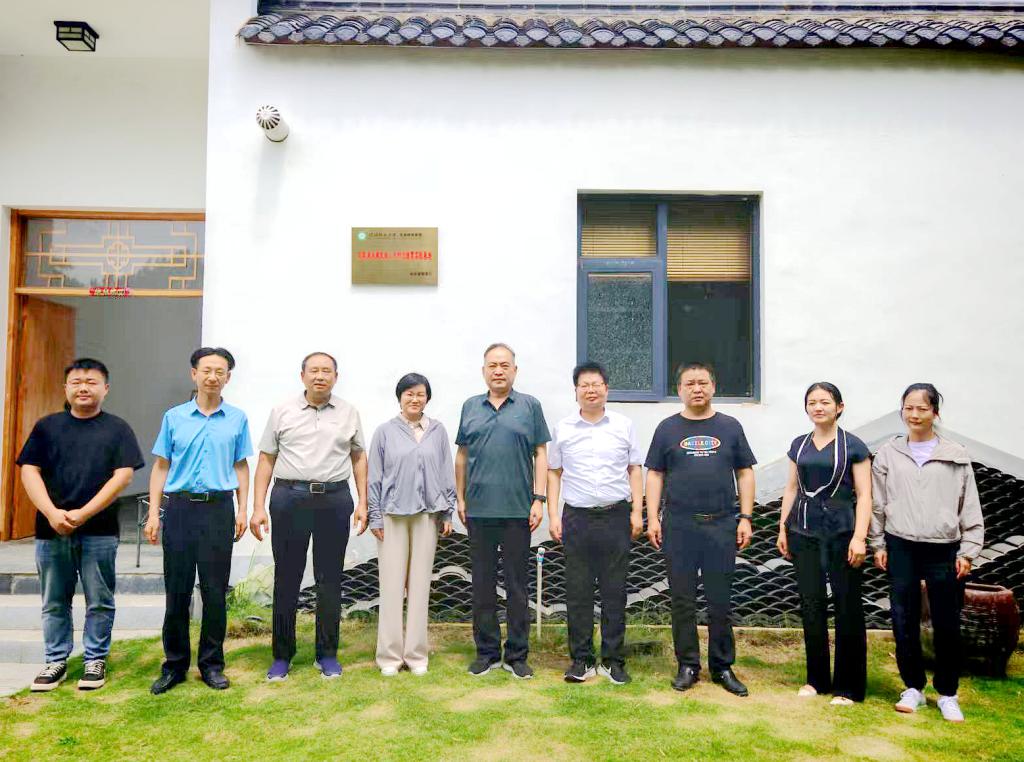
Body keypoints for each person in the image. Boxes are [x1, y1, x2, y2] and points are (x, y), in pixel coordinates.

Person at [17, 358, 144, 692]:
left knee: (99, 599)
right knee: (54, 600)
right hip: (51, 530)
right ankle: (55, 660)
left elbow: (123, 476)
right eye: (76, 382)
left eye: (91, 382)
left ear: (106, 388)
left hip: (100, 530)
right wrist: (51, 513)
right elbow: (29, 470)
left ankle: (94, 659)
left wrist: (84, 513)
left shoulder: (117, 429)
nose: (83, 387)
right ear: (66, 388)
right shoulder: (47, 427)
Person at [250, 351, 368, 681]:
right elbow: (266, 460)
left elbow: (358, 457)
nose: (320, 376)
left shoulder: (348, 412)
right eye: (314, 370)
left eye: (326, 371)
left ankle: (327, 654)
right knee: (287, 578)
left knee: (330, 579)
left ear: (335, 377)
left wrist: (363, 502)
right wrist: (258, 507)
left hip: (334, 499)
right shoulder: (282, 411)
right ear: (302, 375)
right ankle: (282, 656)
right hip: (290, 498)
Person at [870, 383, 983, 723]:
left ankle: (948, 693)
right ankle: (913, 688)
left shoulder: (955, 454)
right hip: (900, 544)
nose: (915, 414)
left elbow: (969, 504)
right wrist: (878, 543)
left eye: (922, 408)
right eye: (909, 408)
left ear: (935, 412)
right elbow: (877, 503)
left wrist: (968, 550)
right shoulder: (889, 453)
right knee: (903, 619)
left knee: (946, 622)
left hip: (944, 547)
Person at [144, 347, 252, 694]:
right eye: (206, 370)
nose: (212, 377)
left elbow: (241, 466)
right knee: (177, 590)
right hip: (180, 510)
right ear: (194, 374)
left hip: (218, 510)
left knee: (214, 591)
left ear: (228, 378)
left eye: (220, 371)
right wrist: (153, 513)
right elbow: (161, 466)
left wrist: (242, 509)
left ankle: (211, 665)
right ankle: (174, 665)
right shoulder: (174, 417)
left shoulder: (237, 419)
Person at [645, 362, 756, 696]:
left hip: (721, 524)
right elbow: (655, 474)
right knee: (682, 599)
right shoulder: (667, 429)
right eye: (690, 383)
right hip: (679, 525)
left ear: (713, 386)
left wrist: (746, 517)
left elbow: (745, 473)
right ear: (679, 390)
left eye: (703, 382)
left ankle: (722, 666)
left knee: (720, 600)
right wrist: (653, 517)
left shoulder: (730, 427)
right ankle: (688, 665)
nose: (697, 388)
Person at [456, 343, 550, 679]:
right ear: (484, 370)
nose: (499, 370)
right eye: (493, 365)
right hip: (479, 511)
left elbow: (541, 454)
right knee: (482, 585)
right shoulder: (470, 406)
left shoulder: (530, 406)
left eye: (505, 365)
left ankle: (517, 655)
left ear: (514, 370)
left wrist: (539, 499)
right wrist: (461, 498)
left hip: (517, 511)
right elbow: (462, 457)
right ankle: (486, 652)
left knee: (516, 586)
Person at [548, 362, 643, 685]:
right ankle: (582, 660)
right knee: (578, 592)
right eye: (584, 385)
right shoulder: (563, 428)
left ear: (606, 389)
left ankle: (614, 661)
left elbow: (634, 469)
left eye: (596, 384)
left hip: (616, 515)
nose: (591, 390)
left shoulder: (623, 425)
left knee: (615, 591)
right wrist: (553, 515)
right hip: (577, 517)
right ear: (576, 391)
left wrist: (637, 511)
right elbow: (554, 472)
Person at [776, 382, 871, 705]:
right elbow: (791, 488)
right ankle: (816, 679)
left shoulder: (853, 446)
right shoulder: (799, 445)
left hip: (843, 532)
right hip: (803, 532)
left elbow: (865, 495)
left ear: (839, 407)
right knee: (811, 603)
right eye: (812, 402)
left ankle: (848, 687)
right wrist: (783, 528)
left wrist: (859, 537)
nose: (818, 407)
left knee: (847, 606)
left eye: (825, 402)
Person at [368, 373, 455, 677]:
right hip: (392, 516)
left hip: (427, 516)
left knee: (420, 587)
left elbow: (446, 471)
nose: (415, 399)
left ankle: (417, 655)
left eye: (420, 394)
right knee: (392, 587)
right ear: (400, 398)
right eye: (409, 394)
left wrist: (447, 512)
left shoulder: (437, 431)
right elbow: (374, 476)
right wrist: (375, 515)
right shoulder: (384, 432)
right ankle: (389, 657)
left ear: (427, 398)